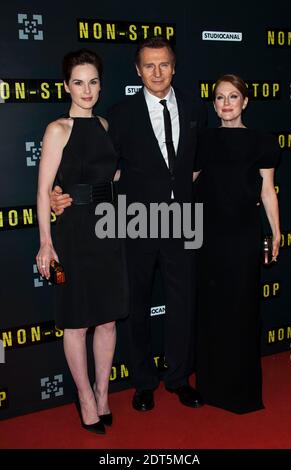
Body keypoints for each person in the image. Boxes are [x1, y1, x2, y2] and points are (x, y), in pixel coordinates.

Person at [51, 36, 207, 412]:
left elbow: (198, 165)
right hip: (134, 220)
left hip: (182, 218)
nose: (157, 72)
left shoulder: (194, 108)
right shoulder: (119, 115)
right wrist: (63, 193)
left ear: (174, 66)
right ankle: (143, 382)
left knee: (183, 303)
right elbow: (102, 169)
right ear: (138, 71)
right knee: (135, 304)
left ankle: (178, 378)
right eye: (149, 65)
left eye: (164, 64)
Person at [36, 49, 128, 434]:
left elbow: (117, 175)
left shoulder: (106, 126)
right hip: (71, 235)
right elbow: (43, 192)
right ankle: (85, 398)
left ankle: (103, 393)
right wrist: (46, 243)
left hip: (109, 229)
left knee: (107, 321)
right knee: (75, 323)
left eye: (93, 82)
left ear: (100, 85)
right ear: (66, 86)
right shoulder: (58, 129)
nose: (86, 89)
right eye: (78, 82)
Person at [195, 74, 281, 414]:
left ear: (245, 102)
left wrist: (276, 231)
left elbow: (267, 190)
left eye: (233, 96)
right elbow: (186, 184)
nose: (226, 103)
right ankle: (210, 386)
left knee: (243, 310)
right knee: (211, 310)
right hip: (207, 236)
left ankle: (242, 391)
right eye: (219, 97)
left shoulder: (261, 141)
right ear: (213, 104)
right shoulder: (201, 140)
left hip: (243, 235)